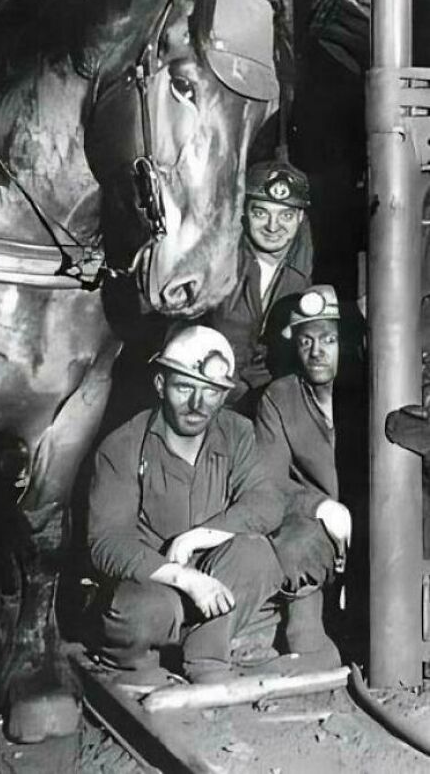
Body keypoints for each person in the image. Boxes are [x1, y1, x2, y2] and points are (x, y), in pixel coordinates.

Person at [86, 324, 288, 685]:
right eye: (184, 388)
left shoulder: (237, 432)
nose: (198, 405)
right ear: (161, 385)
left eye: (211, 392)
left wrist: (199, 537)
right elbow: (107, 542)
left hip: (216, 575)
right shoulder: (123, 445)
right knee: (143, 613)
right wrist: (184, 577)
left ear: (224, 395)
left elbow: (266, 501)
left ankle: (206, 657)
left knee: (257, 554)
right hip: (155, 582)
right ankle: (135, 659)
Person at [255, 284, 351, 669]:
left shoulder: (378, 388)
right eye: (306, 340)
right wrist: (319, 506)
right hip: (320, 527)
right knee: (292, 543)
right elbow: (267, 480)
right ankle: (306, 634)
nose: (317, 352)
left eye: (329, 339)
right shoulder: (279, 397)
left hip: (382, 522)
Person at [202, 159, 313, 415]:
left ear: (300, 218)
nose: (273, 227)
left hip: (273, 405)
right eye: (261, 213)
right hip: (209, 396)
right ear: (244, 212)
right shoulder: (217, 260)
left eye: (285, 215)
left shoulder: (310, 268)